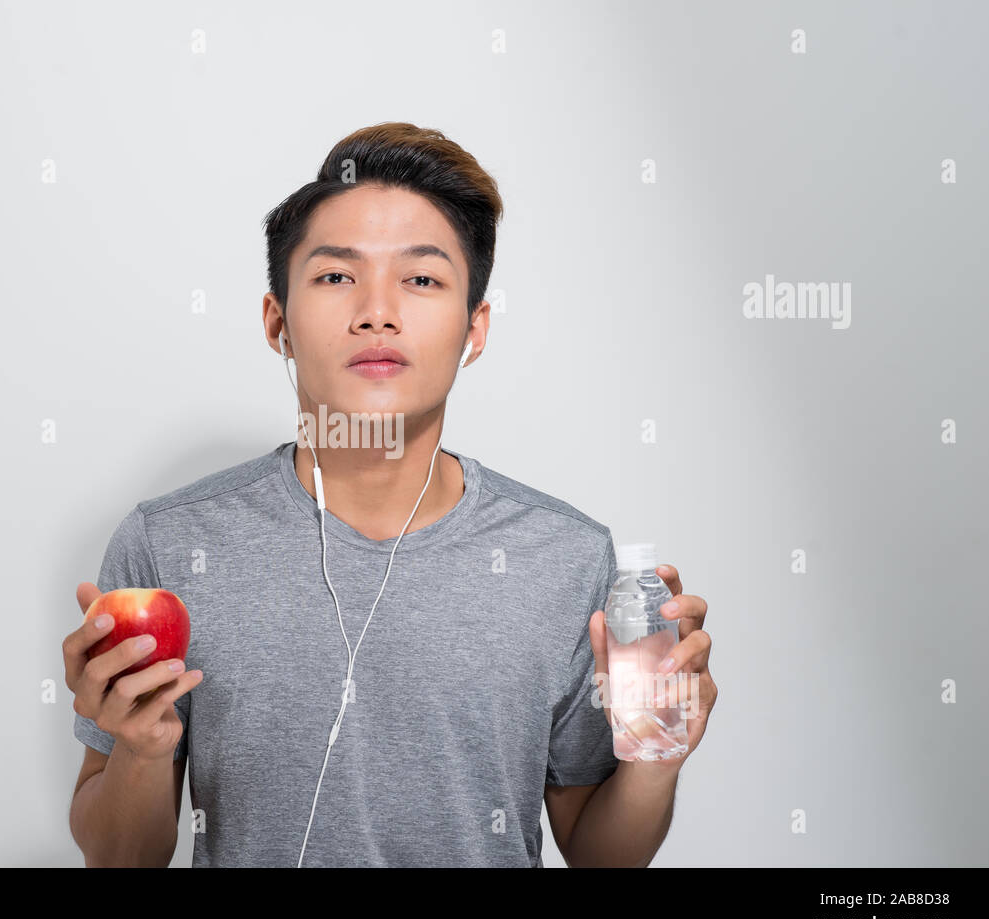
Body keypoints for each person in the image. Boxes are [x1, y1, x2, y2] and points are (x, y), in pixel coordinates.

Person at [64, 122, 717, 867]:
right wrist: (142, 753)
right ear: (277, 321)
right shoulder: (171, 545)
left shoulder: (564, 557)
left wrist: (657, 756)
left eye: (422, 278)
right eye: (337, 276)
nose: (377, 310)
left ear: (475, 328)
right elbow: (119, 858)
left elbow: (605, 855)